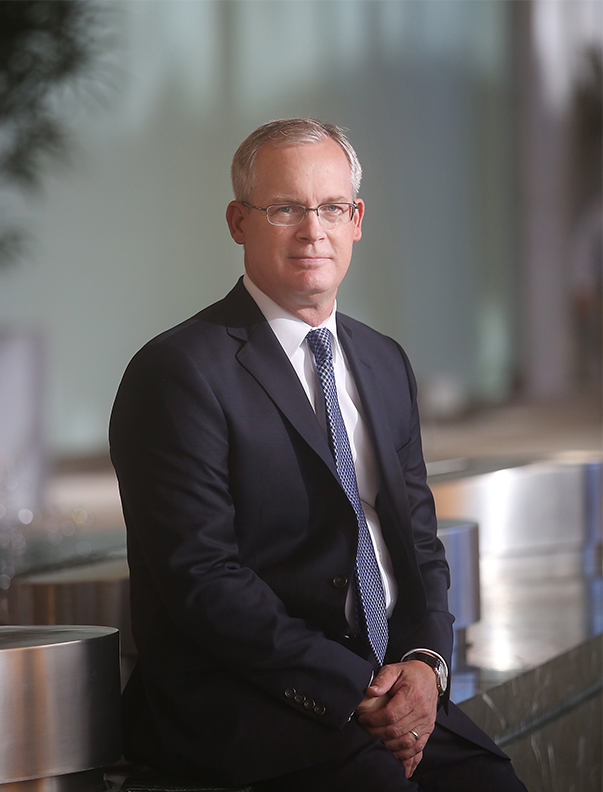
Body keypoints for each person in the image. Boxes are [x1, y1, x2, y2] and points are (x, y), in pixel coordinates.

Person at [110, 118, 528, 791]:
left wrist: (424, 667)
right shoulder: (178, 371)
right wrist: (351, 688)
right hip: (244, 695)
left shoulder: (383, 361)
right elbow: (204, 579)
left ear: (356, 219)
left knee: (491, 782)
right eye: (284, 208)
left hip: (386, 681)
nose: (313, 231)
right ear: (237, 221)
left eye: (332, 207)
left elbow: (419, 546)